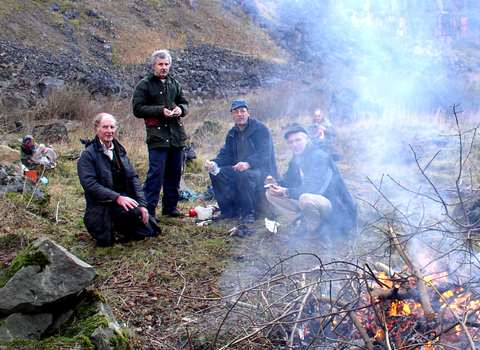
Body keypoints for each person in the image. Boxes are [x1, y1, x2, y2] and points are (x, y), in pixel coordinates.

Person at [78, 113, 160, 247]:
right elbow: (90, 186)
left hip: (124, 202)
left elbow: (133, 179)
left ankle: (121, 227)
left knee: (149, 231)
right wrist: (117, 198)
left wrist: (143, 205)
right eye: (105, 127)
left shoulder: (119, 151)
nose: (109, 131)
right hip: (101, 207)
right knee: (132, 211)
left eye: (112, 127)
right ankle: (111, 226)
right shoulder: (88, 156)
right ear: (96, 130)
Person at [265, 126, 356, 236]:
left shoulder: (319, 157)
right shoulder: (296, 158)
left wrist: (286, 192)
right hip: (313, 201)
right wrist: (277, 184)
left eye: (298, 140)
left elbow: (314, 188)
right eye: (291, 142)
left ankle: (315, 229)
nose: (294, 144)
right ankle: (300, 221)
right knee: (271, 193)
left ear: (307, 139)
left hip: (336, 207)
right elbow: (290, 181)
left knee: (306, 198)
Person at [132, 49, 189, 220]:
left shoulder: (174, 84)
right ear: (153, 66)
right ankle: (149, 210)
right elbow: (137, 109)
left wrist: (181, 109)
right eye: (160, 64)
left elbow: (185, 103)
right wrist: (160, 111)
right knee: (155, 174)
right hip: (157, 136)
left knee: (175, 172)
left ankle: (170, 208)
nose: (164, 68)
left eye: (166, 64)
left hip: (176, 136)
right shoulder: (145, 84)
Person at [204, 99, 279, 224]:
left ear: (248, 113)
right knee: (217, 173)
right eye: (236, 112)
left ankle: (248, 214)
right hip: (239, 169)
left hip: (262, 171)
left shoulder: (260, 129)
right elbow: (226, 155)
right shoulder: (232, 133)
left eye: (242, 111)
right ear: (232, 115)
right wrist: (214, 163)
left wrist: (248, 164)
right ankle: (228, 211)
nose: (240, 114)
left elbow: (265, 154)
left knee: (245, 175)